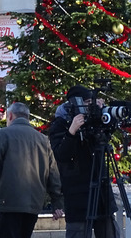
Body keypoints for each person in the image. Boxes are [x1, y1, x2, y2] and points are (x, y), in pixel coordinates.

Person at [48, 85, 121, 238]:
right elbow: (62, 155)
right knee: (78, 232)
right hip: (78, 193)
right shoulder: (61, 124)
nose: (89, 106)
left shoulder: (95, 120)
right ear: (75, 102)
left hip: (100, 192)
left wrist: (103, 115)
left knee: (108, 231)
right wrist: (72, 131)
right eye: (87, 102)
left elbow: (107, 137)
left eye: (91, 102)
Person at [0, 102, 65, 238]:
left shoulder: (1, 135)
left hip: (8, 201)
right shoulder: (43, 139)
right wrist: (57, 202)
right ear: (27, 117)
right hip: (33, 202)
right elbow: (53, 173)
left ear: (10, 116)